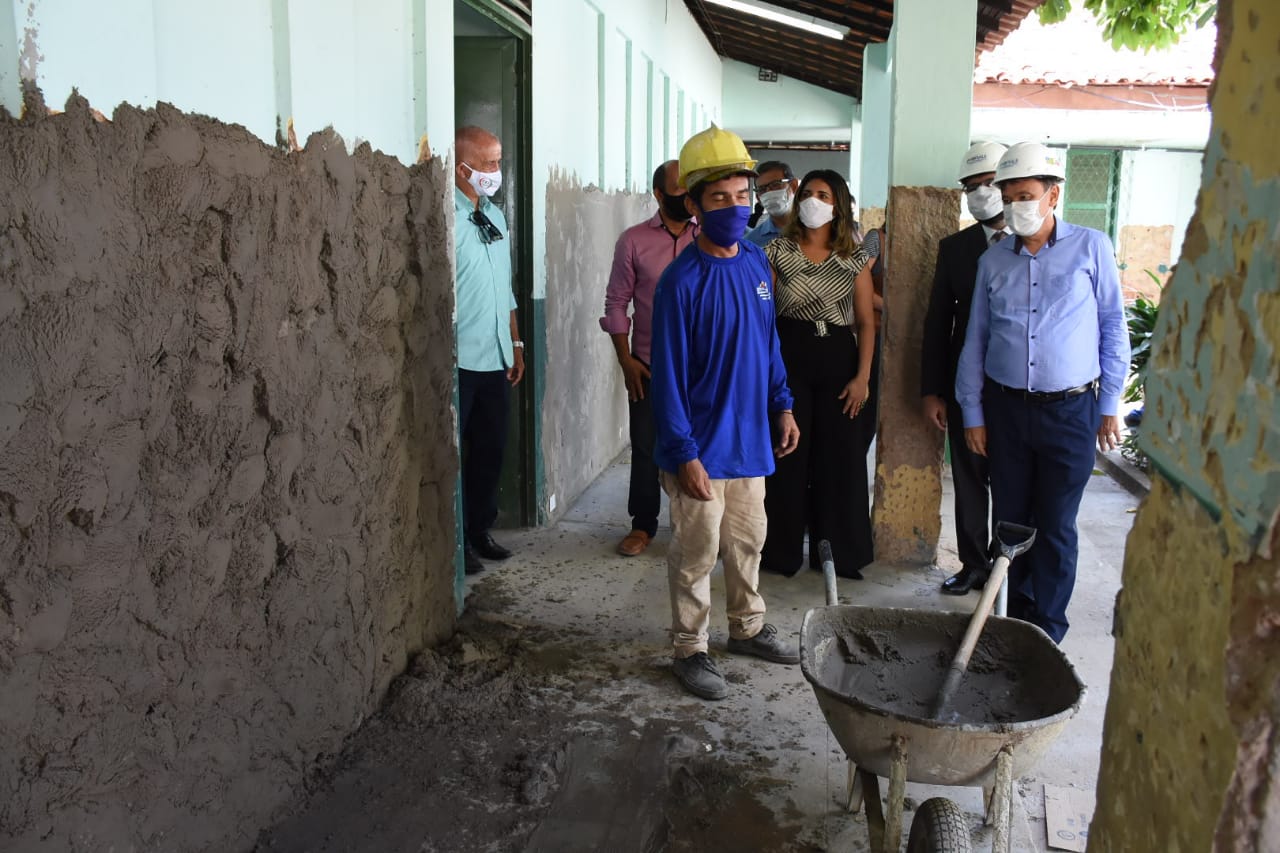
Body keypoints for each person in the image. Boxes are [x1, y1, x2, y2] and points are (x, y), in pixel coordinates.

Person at [650, 125, 801, 701]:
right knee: (696, 555)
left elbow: (768, 345)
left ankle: (748, 628)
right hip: (700, 448)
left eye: (743, 196)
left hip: (749, 439)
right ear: (692, 205)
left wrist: (782, 404)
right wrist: (684, 453)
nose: (736, 208)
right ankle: (690, 649)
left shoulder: (758, 265)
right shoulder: (679, 282)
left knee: (747, 541)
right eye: (720, 199)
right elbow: (666, 378)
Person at [956, 141, 1129, 643]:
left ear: (1053, 196)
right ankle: (1013, 618)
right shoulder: (993, 261)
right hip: (1006, 410)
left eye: (1026, 195)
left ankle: (1048, 631)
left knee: (1054, 525)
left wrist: (1110, 405)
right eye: (1008, 196)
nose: (1016, 206)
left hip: (1072, 409)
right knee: (1010, 522)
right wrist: (973, 413)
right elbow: (976, 339)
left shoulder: (1092, 247)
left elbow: (1113, 327)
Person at [759, 170, 877, 579]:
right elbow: (763, 316)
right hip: (789, 356)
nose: (812, 200)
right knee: (788, 454)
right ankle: (780, 553)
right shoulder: (775, 251)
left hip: (840, 360)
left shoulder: (853, 258)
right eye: (807, 193)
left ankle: (840, 554)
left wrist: (862, 377)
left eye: (822, 194)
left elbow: (866, 322)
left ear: (838, 204)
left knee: (840, 457)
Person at [921, 141, 1009, 595]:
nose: (980, 194)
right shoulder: (956, 248)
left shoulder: (1039, 244)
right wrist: (932, 389)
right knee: (971, 478)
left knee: (1012, 478)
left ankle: (1006, 565)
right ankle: (974, 562)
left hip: (1020, 385)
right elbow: (939, 320)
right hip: (964, 384)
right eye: (971, 187)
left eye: (989, 184)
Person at [600, 160, 698, 556]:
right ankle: (643, 525)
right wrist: (626, 361)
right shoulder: (634, 241)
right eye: (678, 191)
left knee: (700, 448)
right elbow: (616, 303)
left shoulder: (709, 238)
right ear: (659, 194)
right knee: (645, 447)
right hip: (649, 365)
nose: (688, 199)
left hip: (701, 368)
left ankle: (695, 528)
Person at [453, 126, 525, 574]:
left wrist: (516, 342)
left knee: (490, 451)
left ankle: (479, 530)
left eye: (498, 162)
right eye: (488, 164)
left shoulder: (494, 216)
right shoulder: (449, 218)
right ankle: (457, 540)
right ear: (462, 167)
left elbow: (506, 289)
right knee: (457, 455)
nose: (496, 171)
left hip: (497, 357)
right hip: (460, 358)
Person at [744, 160, 797, 247]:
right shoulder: (751, 243)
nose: (769, 192)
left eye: (776, 184)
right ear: (758, 198)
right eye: (762, 189)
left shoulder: (817, 231)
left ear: (793, 186)